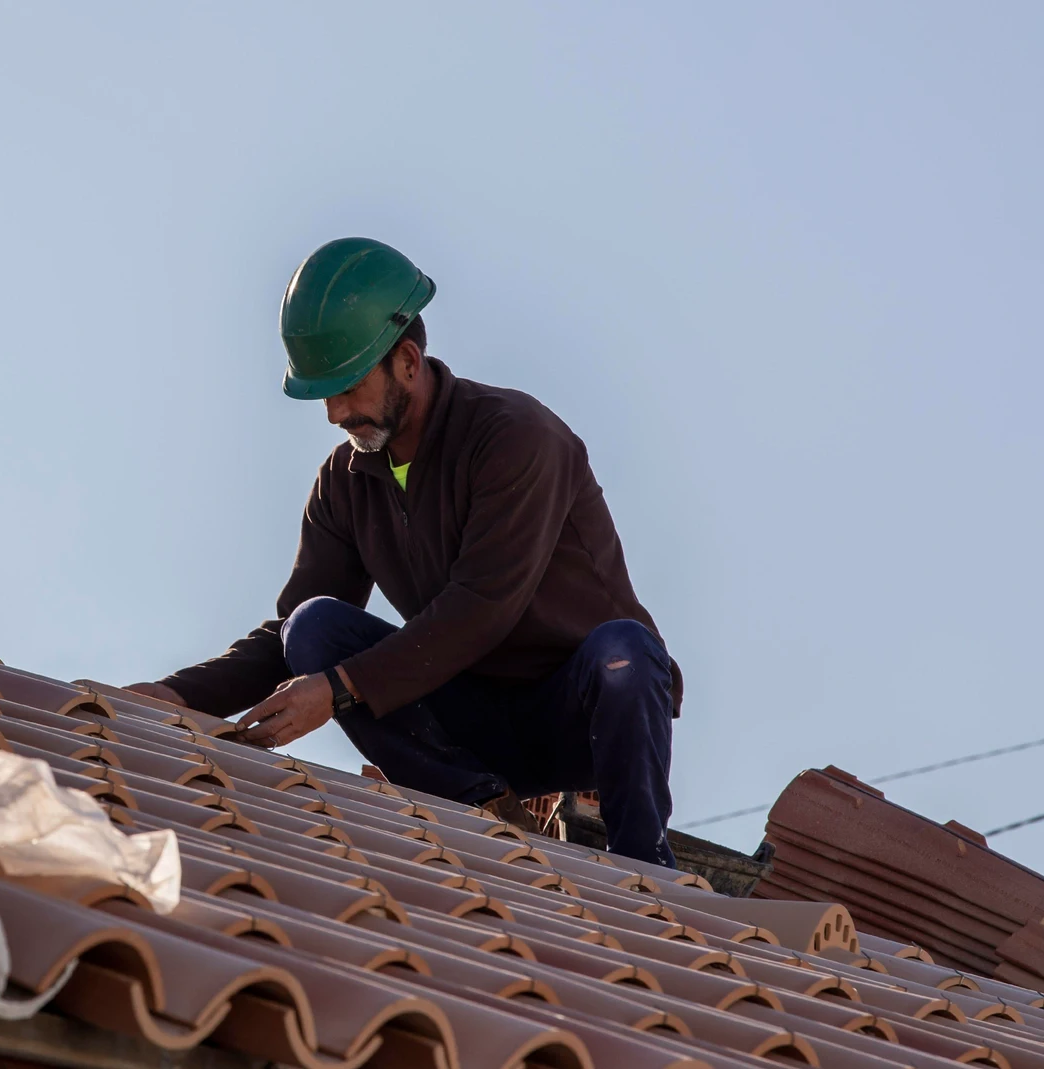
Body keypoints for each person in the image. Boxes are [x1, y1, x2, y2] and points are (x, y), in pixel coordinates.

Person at [128, 237, 681, 866]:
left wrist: (339, 689)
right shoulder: (345, 482)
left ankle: (645, 869)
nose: (336, 412)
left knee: (625, 652)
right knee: (313, 627)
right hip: (471, 726)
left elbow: (482, 606)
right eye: (324, 395)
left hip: (578, 719)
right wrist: (175, 697)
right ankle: (480, 806)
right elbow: (291, 633)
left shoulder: (516, 437)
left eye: (349, 387)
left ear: (409, 362)